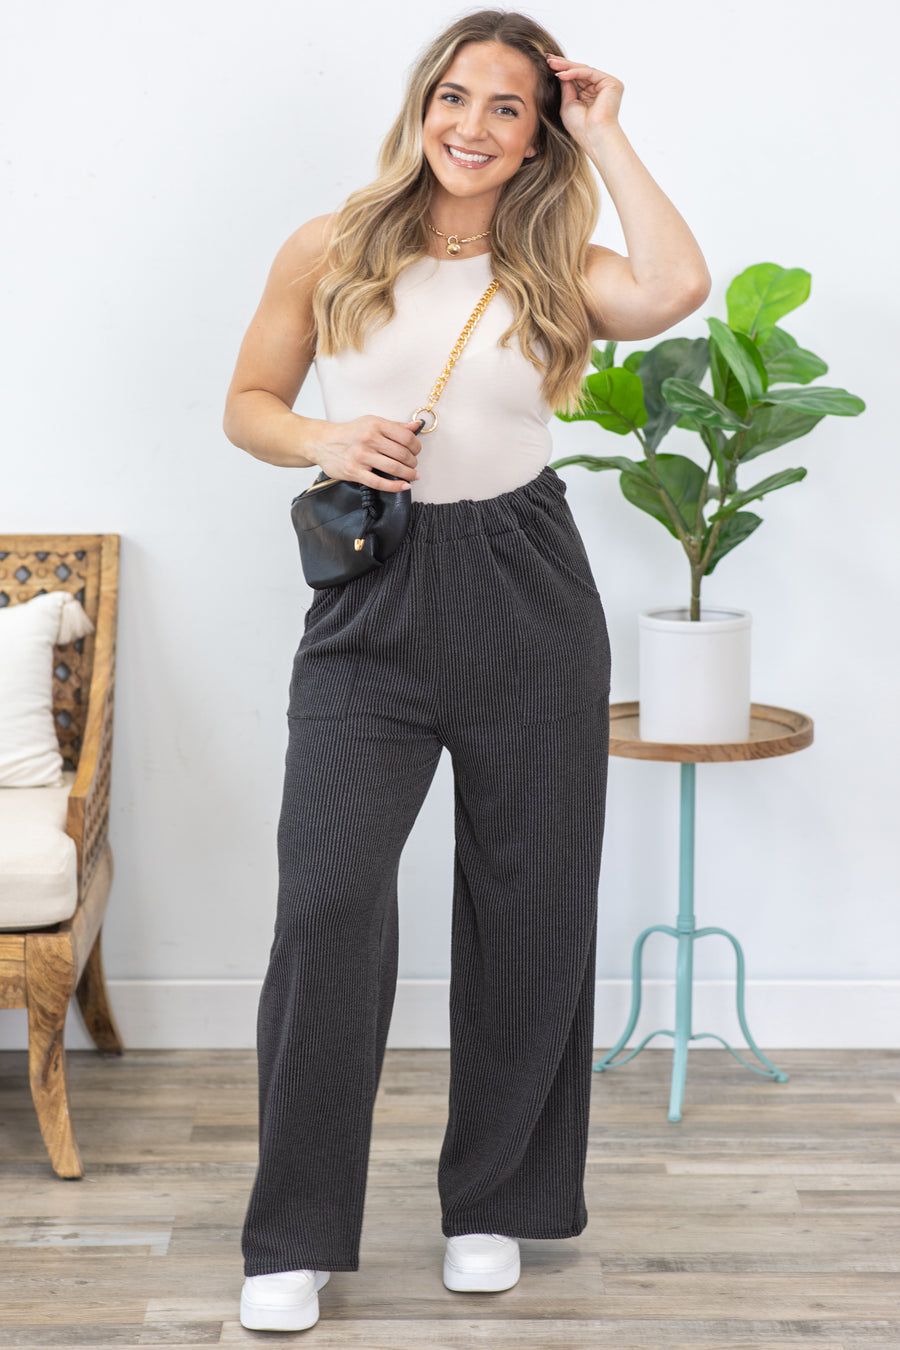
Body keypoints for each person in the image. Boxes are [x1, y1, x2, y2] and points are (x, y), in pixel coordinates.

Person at [223, 9, 709, 1333]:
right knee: (328, 900)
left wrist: (606, 128)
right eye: (455, 96)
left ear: (537, 134)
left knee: (527, 900)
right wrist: (326, 438)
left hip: (526, 586)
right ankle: (294, 1232)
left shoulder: (558, 261)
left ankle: (492, 1200)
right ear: (420, 105)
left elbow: (676, 287)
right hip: (371, 599)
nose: (474, 126)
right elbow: (249, 404)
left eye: (509, 107)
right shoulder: (331, 244)